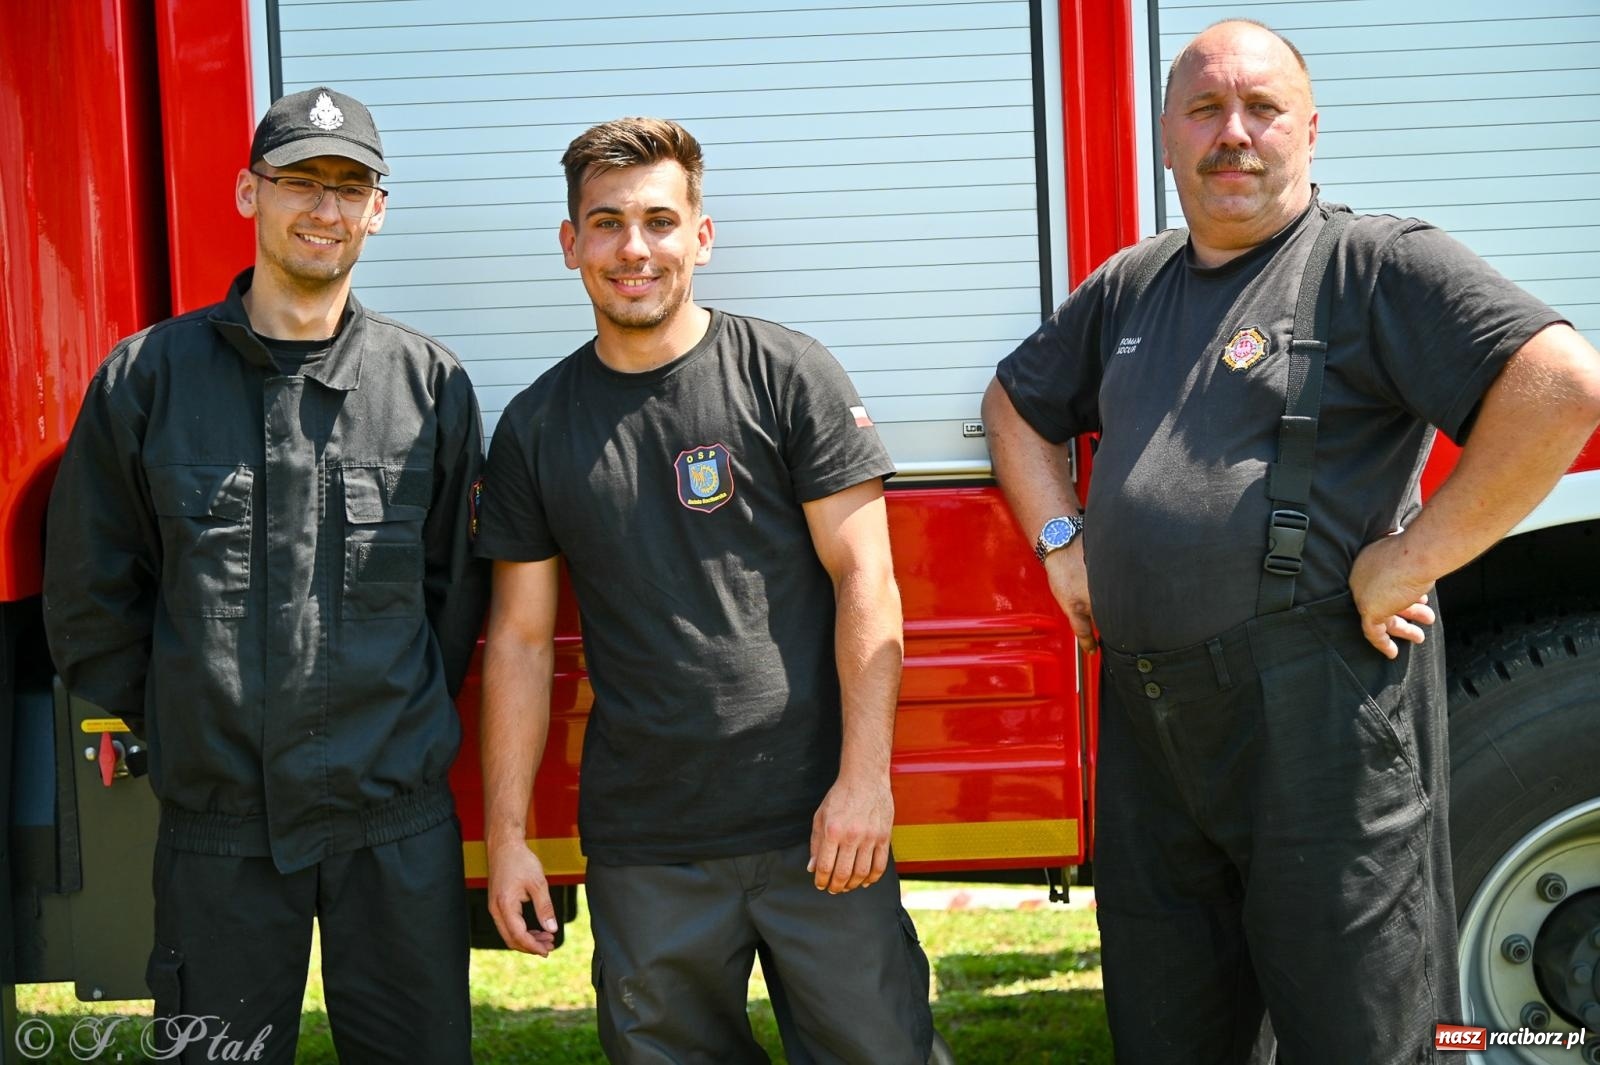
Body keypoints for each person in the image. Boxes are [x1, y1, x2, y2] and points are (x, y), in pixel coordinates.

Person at [982, 19, 1600, 1065]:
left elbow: (1560, 384)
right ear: (1167, 140)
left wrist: (1411, 558)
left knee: (1356, 1034)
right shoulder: (1131, 284)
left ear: (1307, 131)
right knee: (1170, 1028)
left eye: (1261, 109)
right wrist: (1059, 540)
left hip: (1321, 722)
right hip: (1154, 721)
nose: (1235, 134)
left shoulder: (1372, 264)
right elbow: (1015, 405)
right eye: (1206, 111)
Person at [474, 117, 933, 1064]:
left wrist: (864, 782)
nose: (633, 248)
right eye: (605, 224)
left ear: (701, 235)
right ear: (570, 245)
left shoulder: (787, 375)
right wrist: (509, 837)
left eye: (658, 220)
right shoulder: (534, 427)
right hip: (648, 844)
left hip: (818, 826)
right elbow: (519, 641)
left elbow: (867, 580)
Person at [43, 86, 486, 1064]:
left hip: (391, 822)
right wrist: (188, 718)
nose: (323, 209)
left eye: (349, 187)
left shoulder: (430, 387)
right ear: (250, 193)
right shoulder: (145, 380)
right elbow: (88, 600)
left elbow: (454, 599)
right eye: (299, 182)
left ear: (378, 208)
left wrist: (391, 720)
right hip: (219, 831)